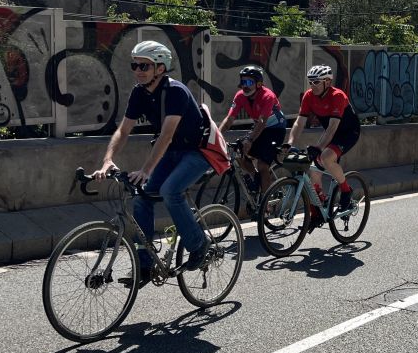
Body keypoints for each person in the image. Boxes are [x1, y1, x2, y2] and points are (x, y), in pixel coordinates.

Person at [95, 40, 211, 276]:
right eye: (134, 65)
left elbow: (167, 135)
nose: (138, 71)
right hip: (171, 153)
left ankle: (200, 245)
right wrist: (107, 160)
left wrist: (146, 170)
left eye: (144, 66)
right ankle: (145, 263)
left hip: (197, 152)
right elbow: (123, 130)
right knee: (142, 198)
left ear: (160, 68)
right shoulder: (139, 93)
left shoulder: (176, 92)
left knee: (170, 191)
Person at [284, 65, 362, 215]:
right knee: (314, 167)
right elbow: (299, 122)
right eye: (310, 82)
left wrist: (319, 147)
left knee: (325, 157)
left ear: (327, 82)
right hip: (331, 132)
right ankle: (320, 201)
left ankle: (346, 190)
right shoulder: (309, 96)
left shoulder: (337, 96)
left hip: (348, 133)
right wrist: (290, 142)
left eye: (316, 82)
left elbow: (333, 127)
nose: (312, 85)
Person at [217, 65, 286, 194]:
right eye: (243, 82)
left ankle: (266, 205)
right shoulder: (240, 96)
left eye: (249, 82)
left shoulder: (268, 96)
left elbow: (261, 122)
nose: (245, 86)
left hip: (275, 130)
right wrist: (217, 136)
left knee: (262, 165)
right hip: (260, 129)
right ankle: (256, 178)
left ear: (259, 84)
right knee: (239, 153)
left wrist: (249, 139)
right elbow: (229, 119)